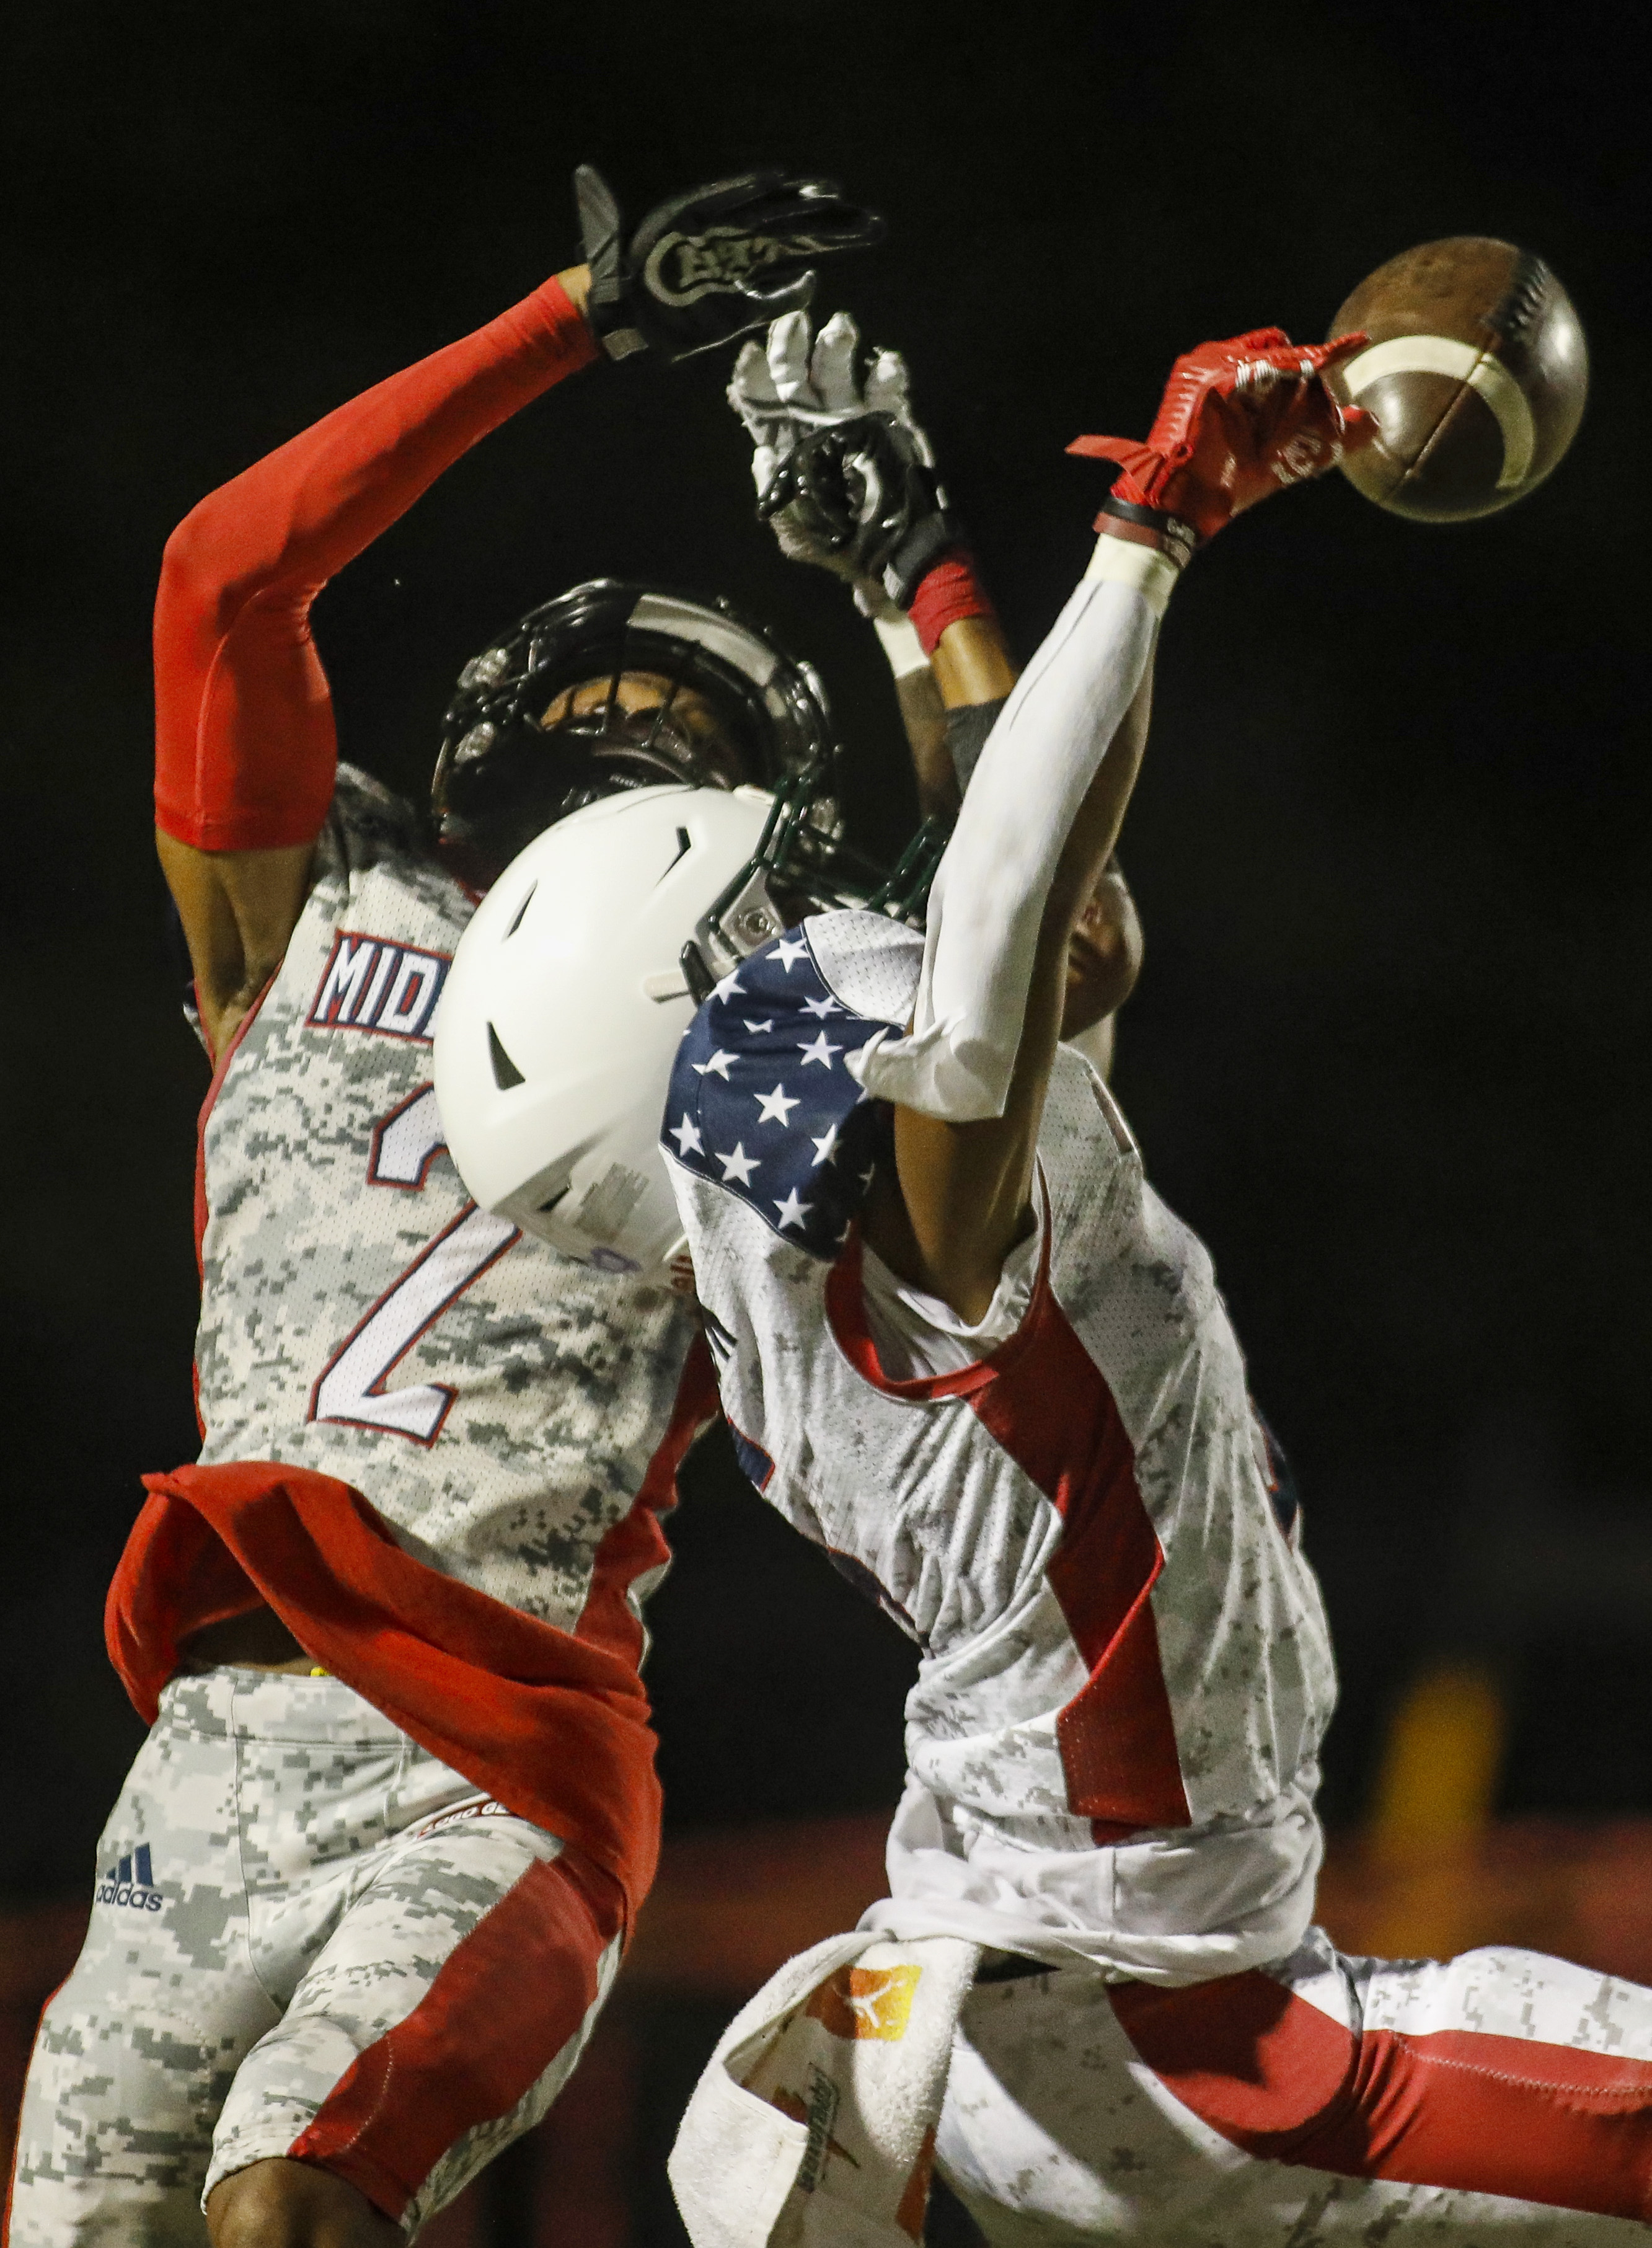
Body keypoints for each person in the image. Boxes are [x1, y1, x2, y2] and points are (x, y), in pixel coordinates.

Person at [439, 322, 1652, 2242]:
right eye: (776, 909)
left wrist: (912, 570)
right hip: (1195, 2043)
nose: (844, 907)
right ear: (683, 1002)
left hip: (1074, 1992)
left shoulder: (835, 1236)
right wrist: (1154, 520)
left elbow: (1047, 895)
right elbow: (1004, 911)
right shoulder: (912, 1235)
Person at [6, 166, 892, 2248]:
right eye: (608, 707)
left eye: (689, 740)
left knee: (287, 2215)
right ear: (496, 726)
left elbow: (1031, 978)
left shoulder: (756, 1042)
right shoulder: (316, 902)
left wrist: (919, 584)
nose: (637, 743)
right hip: (210, 1747)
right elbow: (225, 578)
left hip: (490, 1752)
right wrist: (567, 325)